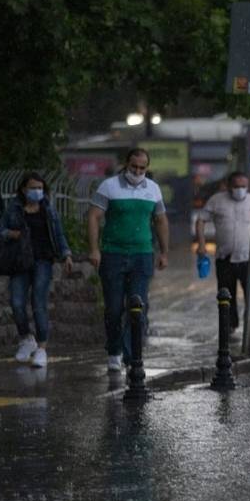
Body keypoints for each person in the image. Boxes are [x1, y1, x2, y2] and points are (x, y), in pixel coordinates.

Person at [87, 148, 169, 373]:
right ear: (126, 164)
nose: (138, 171)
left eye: (142, 168)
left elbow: (161, 220)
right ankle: (114, 350)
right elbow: (94, 216)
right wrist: (94, 249)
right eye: (134, 167)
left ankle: (132, 356)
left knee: (138, 306)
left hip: (142, 255)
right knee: (114, 308)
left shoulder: (153, 189)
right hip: (113, 254)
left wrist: (164, 252)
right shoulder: (109, 186)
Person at [0, 173, 74, 367]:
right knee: (16, 302)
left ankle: (41, 348)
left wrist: (66, 254)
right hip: (20, 262)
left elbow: (58, 233)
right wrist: (11, 234)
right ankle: (26, 338)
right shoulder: (13, 209)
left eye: (40, 188)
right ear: (23, 189)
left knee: (38, 303)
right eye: (32, 187)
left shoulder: (48, 209)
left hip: (42, 261)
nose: (36, 191)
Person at [195, 172, 250, 333]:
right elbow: (201, 220)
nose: (240, 190)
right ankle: (230, 323)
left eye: (243, 186)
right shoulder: (217, 200)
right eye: (236, 186)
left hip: (248, 257)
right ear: (229, 186)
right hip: (225, 257)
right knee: (226, 293)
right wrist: (201, 244)